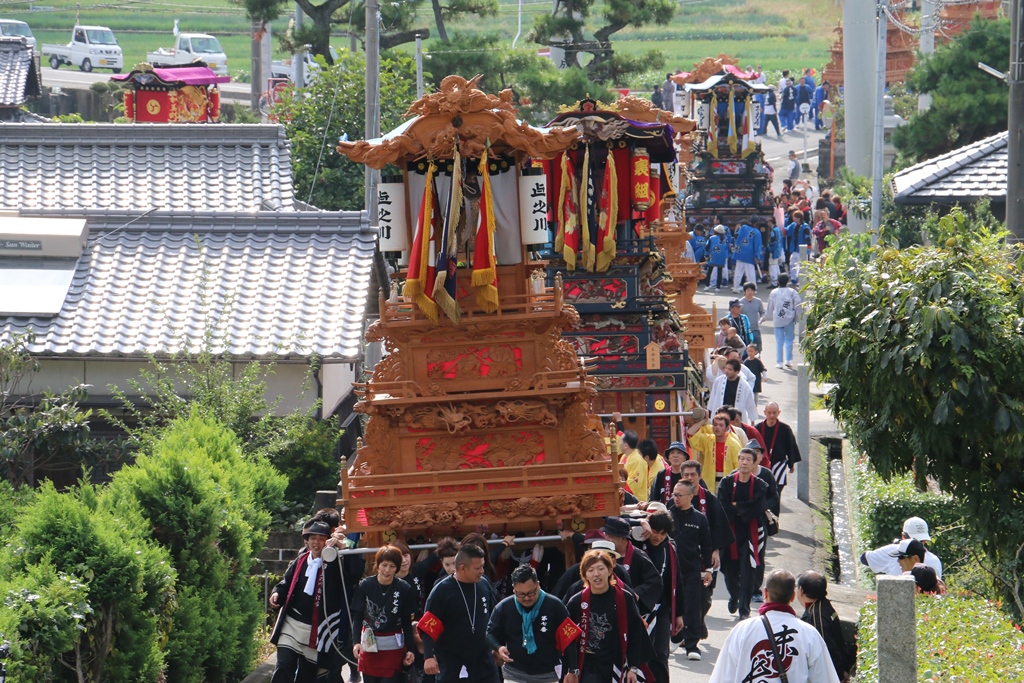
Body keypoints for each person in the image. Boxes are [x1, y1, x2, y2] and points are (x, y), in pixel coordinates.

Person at [709, 570, 841, 683]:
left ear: (765, 593)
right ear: (793, 596)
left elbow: (722, 677)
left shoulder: (742, 630)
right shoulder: (810, 634)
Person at [269, 521, 350, 683]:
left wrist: (343, 548)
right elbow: (286, 583)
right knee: (284, 664)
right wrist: (277, 593)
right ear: (307, 540)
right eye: (313, 538)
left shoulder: (336, 562)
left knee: (307, 674)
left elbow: (354, 572)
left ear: (328, 540)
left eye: (321, 538)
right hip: (292, 623)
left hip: (318, 629)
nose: (316, 542)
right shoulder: (301, 560)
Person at [566, 550, 656, 683]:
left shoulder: (625, 598)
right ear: (585, 575)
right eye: (590, 570)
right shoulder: (576, 601)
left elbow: (636, 634)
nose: (596, 574)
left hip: (617, 662)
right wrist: (571, 669)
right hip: (588, 665)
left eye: (601, 568)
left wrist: (633, 667)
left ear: (609, 571)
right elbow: (568, 639)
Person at [418, 544, 500, 683]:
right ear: (463, 568)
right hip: (452, 663)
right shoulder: (442, 590)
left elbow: (494, 618)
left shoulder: (484, 583)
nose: (482, 571)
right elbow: (428, 627)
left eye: (482, 566)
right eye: (477, 568)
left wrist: (497, 646)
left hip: (484, 661)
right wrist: (428, 656)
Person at [486, 565, 581, 683]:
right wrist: (498, 647)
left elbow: (569, 639)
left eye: (531, 593)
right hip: (514, 673)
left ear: (538, 585)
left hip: (547, 675)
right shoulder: (504, 607)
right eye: (521, 594)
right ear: (514, 589)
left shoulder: (555, 606)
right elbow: (490, 633)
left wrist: (573, 670)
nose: (526, 598)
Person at [351, 546, 417, 683]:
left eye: (392, 566)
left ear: (397, 568)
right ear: (378, 565)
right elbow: (358, 616)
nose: (387, 570)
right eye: (384, 565)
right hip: (369, 645)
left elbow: (406, 621)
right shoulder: (365, 585)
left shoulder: (404, 588)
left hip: (393, 647)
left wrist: (410, 649)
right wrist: (356, 642)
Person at [662, 486, 714, 661]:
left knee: (692, 607)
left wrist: (708, 569)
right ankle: (673, 638)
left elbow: (707, 545)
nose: (675, 498)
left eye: (680, 495)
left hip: (691, 569)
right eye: (674, 495)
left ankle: (692, 645)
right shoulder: (666, 516)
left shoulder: (700, 519)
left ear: (691, 496)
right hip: (669, 569)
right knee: (669, 605)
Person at [717, 449, 769, 620]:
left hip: (751, 533)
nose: (745, 462)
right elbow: (723, 506)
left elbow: (758, 508)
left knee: (748, 571)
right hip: (730, 533)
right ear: (737, 461)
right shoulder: (726, 482)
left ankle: (744, 608)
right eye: (742, 459)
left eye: (749, 460)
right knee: (729, 570)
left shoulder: (760, 485)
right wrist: (743, 506)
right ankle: (733, 595)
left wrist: (736, 506)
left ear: (755, 464)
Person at [634, 511, 685, 680]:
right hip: (637, 607)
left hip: (661, 608)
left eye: (663, 534)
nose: (658, 537)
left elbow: (676, 581)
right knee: (640, 655)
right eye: (655, 532)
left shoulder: (669, 549)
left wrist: (678, 614)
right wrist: (641, 521)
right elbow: (615, 522)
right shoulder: (636, 544)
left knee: (661, 654)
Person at [598, 517, 663, 616]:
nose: (606, 538)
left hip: (629, 608)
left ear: (623, 538)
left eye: (610, 536)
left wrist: (635, 593)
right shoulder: (600, 555)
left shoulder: (638, 556)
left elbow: (655, 581)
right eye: (606, 534)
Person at [796, 571, 853, 681]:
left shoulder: (816, 616)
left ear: (801, 591)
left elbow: (828, 648)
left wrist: (839, 675)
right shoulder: (824, 605)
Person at [860, 518, 943, 580]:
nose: (899, 560)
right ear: (925, 540)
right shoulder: (935, 560)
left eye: (902, 557)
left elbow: (864, 558)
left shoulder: (892, 550)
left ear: (903, 536)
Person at [755, 402, 801, 514]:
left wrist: (791, 464)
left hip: (778, 464)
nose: (771, 416)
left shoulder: (785, 429)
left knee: (776, 492)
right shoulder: (758, 428)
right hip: (761, 465)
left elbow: (790, 446)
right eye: (769, 413)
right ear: (764, 413)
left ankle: (774, 520)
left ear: (778, 413)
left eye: (774, 413)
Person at [687, 413, 742, 493]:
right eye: (715, 425)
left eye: (721, 425)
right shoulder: (708, 440)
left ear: (727, 428)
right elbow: (690, 433)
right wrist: (704, 420)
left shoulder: (734, 444)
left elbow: (738, 467)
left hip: (727, 481)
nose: (717, 428)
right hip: (709, 481)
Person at [765, 273, 802, 369]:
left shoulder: (774, 292)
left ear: (778, 281)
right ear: (787, 281)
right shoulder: (792, 291)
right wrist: (799, 314)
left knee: (779, 341)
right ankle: (788, 360)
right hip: (789, 318)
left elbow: (770, 306)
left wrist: (767, 315)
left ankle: (779, 362)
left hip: (778, 319)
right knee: (789, 339)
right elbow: (798, 302)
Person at [708, 359, 758, 424]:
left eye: (730, 369)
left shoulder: (744, 385)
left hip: (735, 417)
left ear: (737, 371)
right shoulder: (718, 381)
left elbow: (750, 404)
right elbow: (712, 398)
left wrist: (752, 422)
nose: (726, 371)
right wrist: (710, 414)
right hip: (721, 415)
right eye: (726, 368)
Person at [648, 440, 689, 506]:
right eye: (672, 453)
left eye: (679, 453)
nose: (675, 455)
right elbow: (653, 498)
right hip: (665, 513)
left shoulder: (690, 475)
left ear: (685, 458)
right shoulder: (661, 474)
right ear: (668, 457)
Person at [624, 439, 665, 503]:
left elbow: (652, 495)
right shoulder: (654, 459)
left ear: (646, 457)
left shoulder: (656, 475)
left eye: (639, 454)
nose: (637, 456)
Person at [731, 223, 763, 293]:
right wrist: (757, 256)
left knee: (738, 272)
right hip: (749, 254)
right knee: (750, 273)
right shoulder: (756, 232)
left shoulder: (742, 228)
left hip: (739, 252)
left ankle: (735, 287)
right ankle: (752, 288)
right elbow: (757, 245)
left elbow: (736, 237)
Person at [740, 284, 766, 350]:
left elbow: (762, 312)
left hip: (755, 329)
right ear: (744, 291)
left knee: (757, 348)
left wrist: (762, 317)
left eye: (752, 290)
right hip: (745, 330)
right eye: (748, 290)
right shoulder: (740, 302)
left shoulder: (758, 301)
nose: (750, 292)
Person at [706, 225, 731, 290]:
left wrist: (707, 254)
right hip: (722, 257)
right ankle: (718, 287)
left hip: (713, 256)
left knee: (709, 271)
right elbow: (728, 248)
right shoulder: (725, 239)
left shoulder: (711, 238)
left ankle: (707, 285)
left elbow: (707, 247)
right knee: (719, 272)